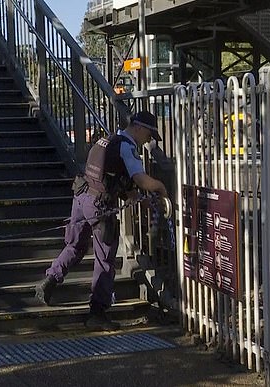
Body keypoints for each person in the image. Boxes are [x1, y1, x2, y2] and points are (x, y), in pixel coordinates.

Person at [34, 111, 169, 331]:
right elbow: (140, 179)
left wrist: (137, 198)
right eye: (150, 134)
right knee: (105, 258)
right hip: (99, 206)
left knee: (75, 245)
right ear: (138, 128)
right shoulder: (127, 147)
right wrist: (160, 188)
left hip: (81, 196)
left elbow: (113, 179)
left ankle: (48, 282)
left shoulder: (105, 140)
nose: (149, 140)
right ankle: (97, 312)